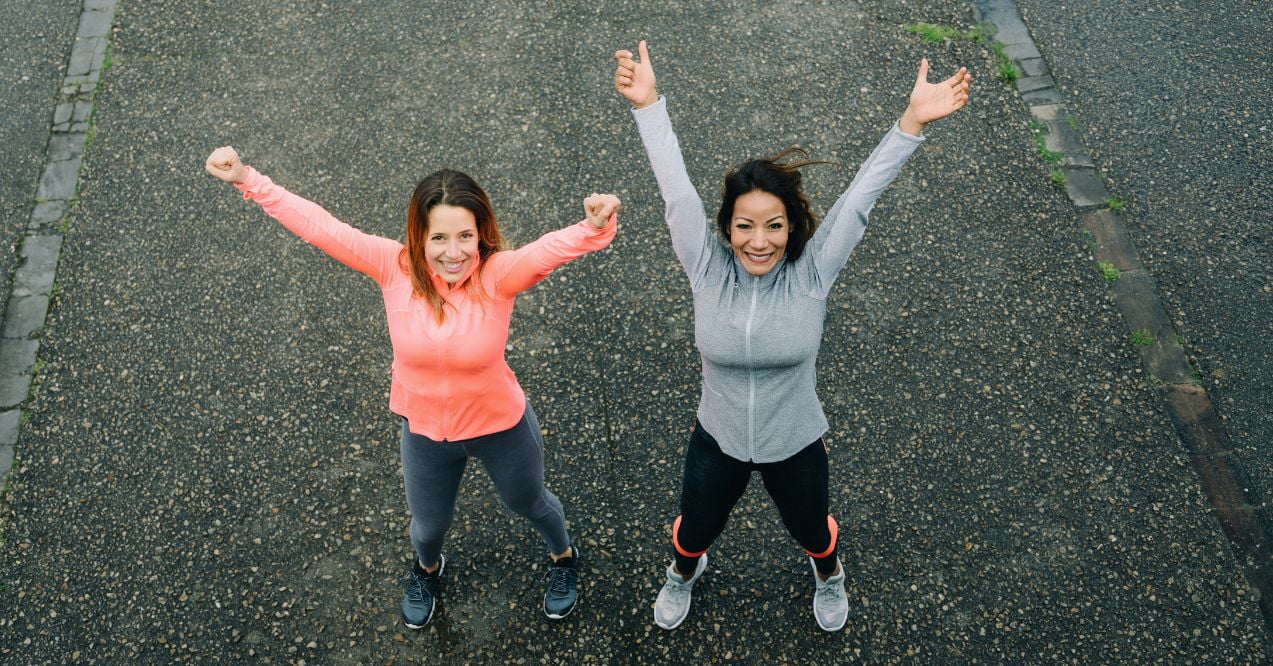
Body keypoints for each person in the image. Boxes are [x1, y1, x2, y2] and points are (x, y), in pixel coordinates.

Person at [613, 40, 970, 632]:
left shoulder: (811, 274)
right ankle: (683, 574)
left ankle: (830, 578)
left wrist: (910, 124)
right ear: (726, 228)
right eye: (745, 226)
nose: (760, 240)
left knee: (812, 528)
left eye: (774, 226)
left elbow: (859, 201)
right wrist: (648, 105)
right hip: (718, 438)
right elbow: (676, 196)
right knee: (694, 526)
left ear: (792, 226)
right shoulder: (706, 270)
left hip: (797, 441)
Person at [204, 148, 620, 628]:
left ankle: (564, 558)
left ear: (481, 234)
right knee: (428, 526)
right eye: (438, 237)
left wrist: (590, 229)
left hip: (500, 426)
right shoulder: (393, 267)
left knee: (529, 503)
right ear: (418, 235)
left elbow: (545, 251)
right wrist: (247, 179)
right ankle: (426, 570)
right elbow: (320, 226)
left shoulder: (497, 274)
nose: (454, 252)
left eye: (466, 236)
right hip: (424, 431)